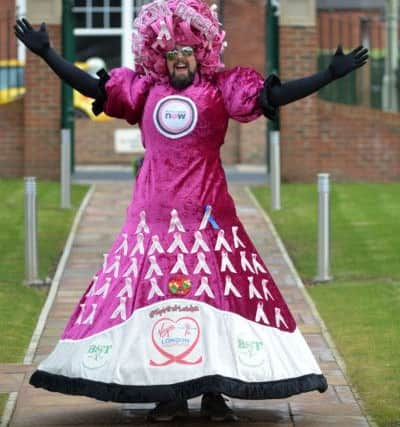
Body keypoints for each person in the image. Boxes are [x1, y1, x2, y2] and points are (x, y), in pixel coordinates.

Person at [14, 0, 368, 422]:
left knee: (216, 303)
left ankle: (215, 393)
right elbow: (94, 89)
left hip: (211, 220)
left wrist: (328, 76)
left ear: (201, 53)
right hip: (152, 221)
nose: (179, 60)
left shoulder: (222, 89)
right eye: (170, 53)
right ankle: (171, 395)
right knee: (156, 303)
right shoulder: (143, 90)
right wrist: (47, 54)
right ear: (158, 55)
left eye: (186, 52)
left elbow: (271, 96)